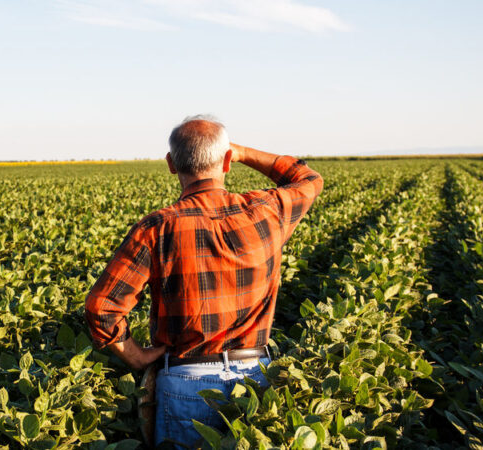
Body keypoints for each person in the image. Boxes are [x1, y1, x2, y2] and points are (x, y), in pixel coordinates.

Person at [84, 115, 323, 447]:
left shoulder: (156, 227)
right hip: (255, 377)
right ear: (226, 161)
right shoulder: (268, 210)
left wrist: (136, 357)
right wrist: (241, 152)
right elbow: (307, 177)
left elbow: (102, 307)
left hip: (184, 380)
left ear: (171, 164)